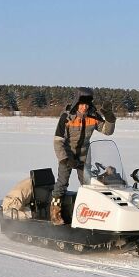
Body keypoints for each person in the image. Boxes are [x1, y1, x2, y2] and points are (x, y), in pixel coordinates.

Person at [51, 87, 116, 225]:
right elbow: (57, 141)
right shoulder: (67, 117)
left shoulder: (93, 116)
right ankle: (55, 213)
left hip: (85, 155)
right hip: (67, 154)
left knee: (88, 185)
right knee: (62, 183)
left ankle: (90, 214)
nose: (84, 107)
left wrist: (109, 117)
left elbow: (107, 131)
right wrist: (65, 159)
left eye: (87, 104)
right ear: (76, 103)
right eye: (82, 104)